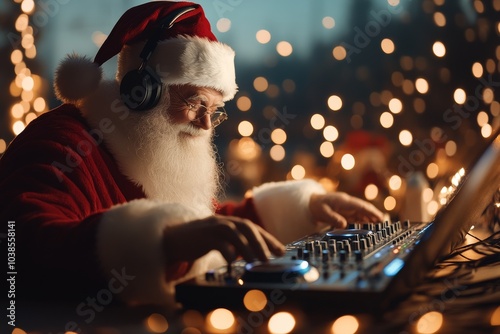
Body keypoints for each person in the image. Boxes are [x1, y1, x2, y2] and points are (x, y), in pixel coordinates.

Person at [0, 1, 383, 307]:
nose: (205, 125)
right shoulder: (61, 143)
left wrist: (305, 209)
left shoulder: (147, 146)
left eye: (214, 111)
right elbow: (21, 254)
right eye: (196, 103)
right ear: (141, 92)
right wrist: (162, 242)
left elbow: (206, 227)